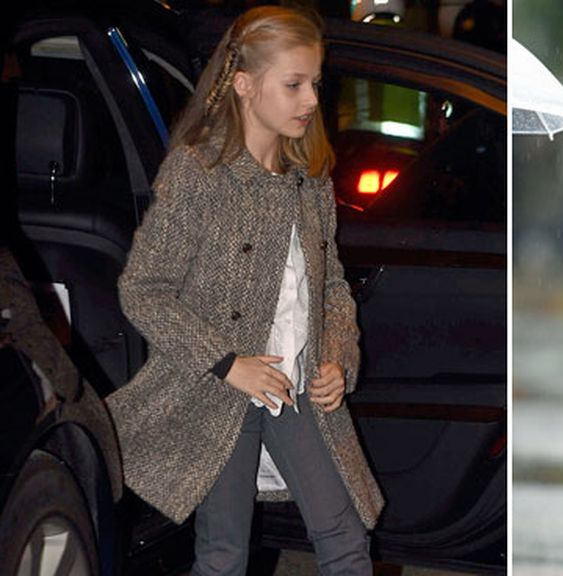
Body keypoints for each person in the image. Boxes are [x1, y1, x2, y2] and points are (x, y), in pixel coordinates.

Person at [105, 7, 384, 575]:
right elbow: (144, 291)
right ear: (244, 85)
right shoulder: (200, 174)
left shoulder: (309, 181)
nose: (310, 100)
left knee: (346, 539)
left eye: (315, 84)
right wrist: (227, 364)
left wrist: (336, 357)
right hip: (220, 392)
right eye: (294, 84)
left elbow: (331, 289)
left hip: (295, 386)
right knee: (224, 553)